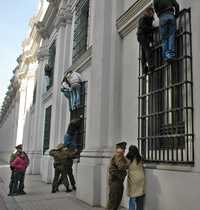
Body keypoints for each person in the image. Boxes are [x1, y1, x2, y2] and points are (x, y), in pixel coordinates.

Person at [107, 142, 129, 210]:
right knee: (113, 203)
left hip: (118, 181)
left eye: (124, 149)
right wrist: (129, 163)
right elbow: (121, 166)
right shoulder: (118, 155)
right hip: (115, 182)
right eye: (123, 148)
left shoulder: (121, 156)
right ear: (119, 149)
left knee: (116, 202)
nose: (124, 150)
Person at [137, 7, 155, 74]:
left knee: (144, 52)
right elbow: (144, 28)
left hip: (141, 36)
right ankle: (150, 65)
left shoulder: (146, 18)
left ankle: (144, 69)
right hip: (142, 36)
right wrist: (152, 28)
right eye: (152, 13)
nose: (152, 14)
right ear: (149, 12)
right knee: (147, 50)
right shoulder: (144, 18)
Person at [126, 145, 145, 210]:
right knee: (140, 197)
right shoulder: (140, 158)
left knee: (132, 198)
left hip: (133, 180)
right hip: (141, 179)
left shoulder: (128, 159)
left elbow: (124, 167)